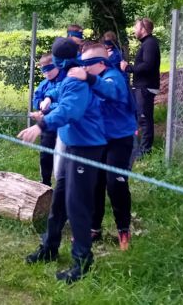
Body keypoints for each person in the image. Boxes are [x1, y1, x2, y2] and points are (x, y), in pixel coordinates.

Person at [18, 37, 106, 284]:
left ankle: (82, 262)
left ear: (59, 61)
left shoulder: (77, 81)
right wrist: (48, 101)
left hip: (85, 148)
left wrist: (41, 125)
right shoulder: (71, 75)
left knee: (77, 205)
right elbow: (61, 92)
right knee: (59, 201)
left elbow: (70, 110)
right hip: (72, 146)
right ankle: (49, 247)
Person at [68, 44, 137, 250]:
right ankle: (94, 228)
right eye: (82, 64)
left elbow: (110, 91)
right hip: (97, 139)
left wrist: (88, 78)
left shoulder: (113, 77)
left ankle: (123, 229)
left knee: (115, 183)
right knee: (95, 182)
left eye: (88, 64)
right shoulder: (90, 79)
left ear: (101, 63)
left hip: (120, 139)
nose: (84, 68)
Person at [121, 18, 160, 157]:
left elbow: (148, 66)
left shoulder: (150, 44)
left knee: (144, 120)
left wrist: (129, 68)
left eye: (136, 27)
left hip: (145, 88)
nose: (134, 30)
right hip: (141, 87)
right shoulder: (147, 43)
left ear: (143, 29)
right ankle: (139, 148)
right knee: (140, 118)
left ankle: (145, 152)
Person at [32, 53, 64, 186]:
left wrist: (48, 109)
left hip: (63, 126)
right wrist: (40, 105)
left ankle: (62, 184)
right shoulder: (43, 84)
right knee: (45, 153)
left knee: (62, 156)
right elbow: (36, 99)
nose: (47, 73)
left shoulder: (66, 81)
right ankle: (45, 183)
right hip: (48, 125)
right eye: (43, 70)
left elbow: (64, 104)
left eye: (49, 69)